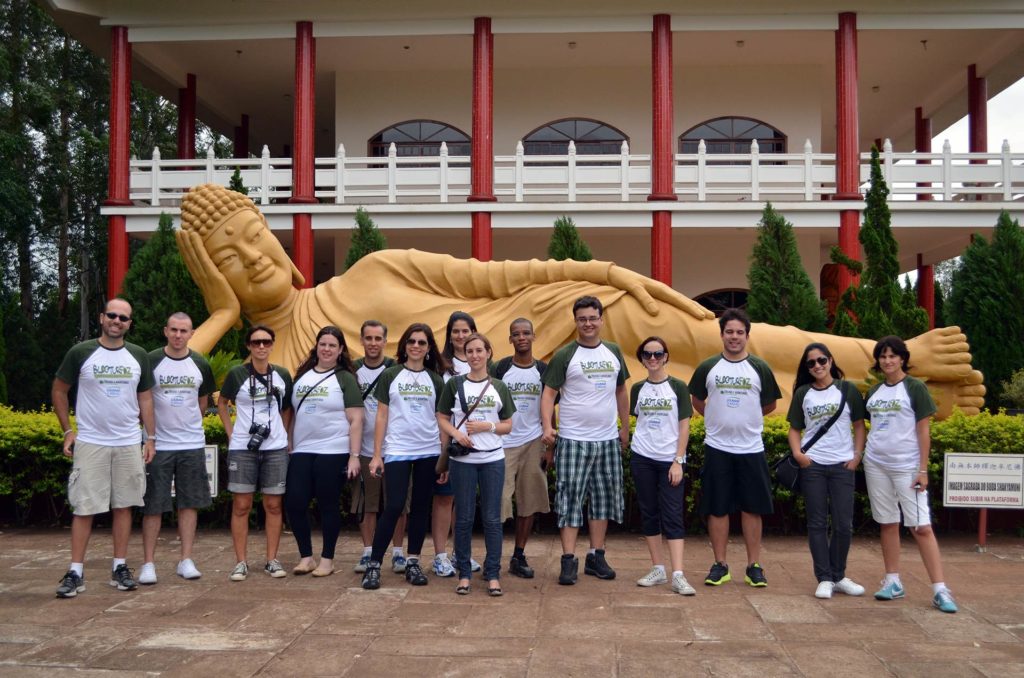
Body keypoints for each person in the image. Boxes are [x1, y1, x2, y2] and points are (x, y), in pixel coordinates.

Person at [177, 183, 985, 420]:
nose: (261, 257)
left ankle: (898, 363)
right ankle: (894, 404)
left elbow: (494, 275)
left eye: (258, 235)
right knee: (679, 398)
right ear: (217, 278)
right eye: (234, 261)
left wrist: (600, 269)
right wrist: (217, 313)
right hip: (531, 385)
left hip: (562, 311)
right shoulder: (273, 354)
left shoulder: (373, 269)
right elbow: (217, 402)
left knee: (709, 334)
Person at [52, 298, 156, 598]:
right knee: (84, 507)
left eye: (124, 318)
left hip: (127, 442)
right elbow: (59, 389)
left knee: (124, 505)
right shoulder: (81, 352)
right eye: (112, 315)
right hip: (92, 442)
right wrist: (68, 431)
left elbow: (145, 399)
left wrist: (151, 438)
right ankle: (75, 571)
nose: (117, 321)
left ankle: (120, 567)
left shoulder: (137, 356)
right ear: (101, 318)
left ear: (129, 324)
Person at [863, 336, 958, 613]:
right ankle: (893, 581)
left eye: (893, 355)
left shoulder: (915, 388)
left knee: (921, 527)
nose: (888, 360)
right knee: (888, 522)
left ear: (903, 358)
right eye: (882, 356)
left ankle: (940, 589)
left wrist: (922, 469)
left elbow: (923, 431)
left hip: (907, 467)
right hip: (876, 463)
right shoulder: (874, 392)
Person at [541, 295, 630, 585]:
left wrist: (625, 427)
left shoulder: (613, 351)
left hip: (606, 439)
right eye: (582, 319)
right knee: (570, 498)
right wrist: (547, 427)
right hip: (573, 439)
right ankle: (568, 560)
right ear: (576, 321)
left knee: (603, 499)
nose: (588, 323)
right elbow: (549, 394)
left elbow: (620, 392)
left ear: (601, 320)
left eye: (593, 318)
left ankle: (596, 556)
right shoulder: (566, 354)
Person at [689, 308, 781, 588]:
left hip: (750, 448)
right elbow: (697, 399)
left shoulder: (760, 368)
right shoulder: (708, 367)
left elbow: (769, 404)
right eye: (729, 332)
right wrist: (718, 420)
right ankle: (720, 565)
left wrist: (745, 421)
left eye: (740, 332)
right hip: (717, 447)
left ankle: (754, 566)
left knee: (752, 509)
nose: (734, 337)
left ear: (747, 336)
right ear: (721, 335)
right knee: (717, 508)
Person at [361, 323, 448, 590]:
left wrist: (444, 459)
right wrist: (377, 455)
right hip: (397, 449)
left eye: (422, 342)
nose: (416, 346)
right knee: (395, 504)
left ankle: (413, 562)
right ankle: (374, 565)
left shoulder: (435, 379)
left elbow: (442, 418)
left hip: (428, 450)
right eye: (411, 341)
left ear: (428, 347)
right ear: (404, 345)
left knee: (421, 507)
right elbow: (382, 415)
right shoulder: (391, 375)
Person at [139, 312, 216, 585]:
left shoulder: (200, 363)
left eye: (184, 331)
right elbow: (142, 399)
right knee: (153, 505)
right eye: (173, 329)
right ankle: (148, 563)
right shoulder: (150, 360)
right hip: (158, 445)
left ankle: (186, 559)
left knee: (189, 503)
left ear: (192, 333)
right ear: (165, 330)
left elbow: (203, 402)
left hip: (192, 444)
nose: (178, 335)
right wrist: (149, 435)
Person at [786, 342, 867, 599]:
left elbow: (859, 425)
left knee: (844, 524)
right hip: (814, 466)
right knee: (817, 523)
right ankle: (824, 577)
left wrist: (857, 456)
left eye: (821, 360)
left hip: (843, 465)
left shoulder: (847, 390)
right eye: (811, 363)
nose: (817, 366)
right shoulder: (803, 393)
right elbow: (794, 428)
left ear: (831, 361)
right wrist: (799, 454)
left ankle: (838, 575)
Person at [437, 333, 515, 595]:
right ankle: (465, 574)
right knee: (464, 519)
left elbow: (508, 425)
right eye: (470, 351)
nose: (475, 355)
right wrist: (456, 434)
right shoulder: (455, 384)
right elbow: (442, 415)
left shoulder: (499, 386)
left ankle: (493, 574)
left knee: (492, 519)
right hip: (463, 460)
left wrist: (487, 426)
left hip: (492, 458)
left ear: (489, 352)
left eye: (479, 350)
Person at [286, 326, 363, 577]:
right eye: (323, 344)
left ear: (341, 350)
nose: (327, 349)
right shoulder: (302, 376)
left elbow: (356, 418)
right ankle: (306, 557)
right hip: (302, 450)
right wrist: (289, 442)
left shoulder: (345, 378)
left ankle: (327, 560)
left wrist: (353, 456)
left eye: (332, 345)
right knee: (295, 502)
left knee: (328, 505)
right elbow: (293, 414)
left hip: (333, 449)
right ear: (316, 346)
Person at [218, 325, 293, 581]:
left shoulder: (282, 375)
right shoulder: (237, 374)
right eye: (256, 342)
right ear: (248, 346)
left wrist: (284, 433)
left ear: (272, 344)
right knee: (241, 505)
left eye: (266, 342)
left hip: (274, 448)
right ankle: (241, 562)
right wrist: (230, 433)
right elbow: (221, 402)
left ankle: (272, 559)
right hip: (243, 448)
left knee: (273, 504)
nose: (261, 346)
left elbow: (287, 408)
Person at [629, 336, 696, 596]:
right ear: (642, 359)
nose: (653, 359)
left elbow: (684, 425)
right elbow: (640, 421)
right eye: (648, 355)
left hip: (669, 460)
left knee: (673, 513)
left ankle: (678, 574)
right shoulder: (637, 389)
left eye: (658, 354)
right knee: (649, 512)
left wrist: (678, 460)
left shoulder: (678, 387)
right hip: (642, 457)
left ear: (666, 356)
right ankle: (658, 568)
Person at [491, 318, 552, 578]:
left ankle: (518, 555)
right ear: (510, 339)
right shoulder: (501, 368)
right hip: (503, 443)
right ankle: (492, 557)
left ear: (533, 336)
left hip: (533, 441)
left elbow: (549, 407)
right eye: (516, 334)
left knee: (529, 501)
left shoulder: (544, 370)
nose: (522, 337)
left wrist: (550, 447)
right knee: (498, 501)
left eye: (526, 333)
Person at [352, 320, 409, 574]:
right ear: (361, 340)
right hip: (364, 448)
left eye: (378, 338)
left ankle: (398, 552)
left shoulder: (397, 370)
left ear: (386, 341)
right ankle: (367, 552)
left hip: (396, 448)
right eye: (368, 338)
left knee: (398, 503)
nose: (373, 343)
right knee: (368, 503)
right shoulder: (352, 370)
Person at [431, 311, 478, 578]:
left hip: (475, 444)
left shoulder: (481, 362)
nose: (461, 336)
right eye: (456, 331)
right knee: (444, 499)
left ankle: (462, 553)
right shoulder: (442, 367)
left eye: (465, 331)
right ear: (449, 335)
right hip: (447, 441)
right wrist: (443, 447)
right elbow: (439, 411)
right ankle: (440, 556)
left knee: (466, 500)